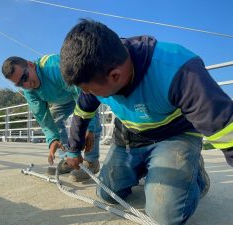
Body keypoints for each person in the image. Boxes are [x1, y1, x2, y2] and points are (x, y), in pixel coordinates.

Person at [60, 19, 233, 225]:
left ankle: (196, 175)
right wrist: (73, 149)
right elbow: (81, 113)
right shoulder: (95, 71)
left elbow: (226, 128)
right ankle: (146, 168)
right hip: (129, 138)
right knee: (106, 193)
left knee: (165, 216)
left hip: (174, 137)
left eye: (89, 90)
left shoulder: (177, 69)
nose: (86, 94)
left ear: (115, 75)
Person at [1, 54, 101, 182]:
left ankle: (91, 161)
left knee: (88, 120)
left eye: (25, 77)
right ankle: (68, 158)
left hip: (80, 90)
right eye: (20, 84)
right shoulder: (29, 90)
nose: (26, 84)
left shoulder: (54, 67)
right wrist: (52, 139)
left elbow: (85, 93)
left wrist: (89, 127)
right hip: (64, 99)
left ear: (30, 65)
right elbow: (42, 116)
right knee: (54, 118)